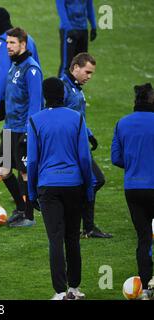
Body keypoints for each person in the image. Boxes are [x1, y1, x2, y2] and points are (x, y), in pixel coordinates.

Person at [27, 77, 93, 300]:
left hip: (48, 186)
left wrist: (32, 192)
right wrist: (89, 188)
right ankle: (74, 289)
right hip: (74, 185)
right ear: (63, 94)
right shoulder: (76, 118)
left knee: (55, 238)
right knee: (72, 237)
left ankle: (59, 292)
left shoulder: (35, 121)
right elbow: (85, 157)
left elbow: (33, 162)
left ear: (45, 96)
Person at [0, 7, 40, 183]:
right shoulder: (28, 39)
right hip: (27, 97)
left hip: (10, 97)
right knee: (18, 139)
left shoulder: (2, 41)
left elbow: (5, 74)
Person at [61, 52, 112, 238]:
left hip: (80, 143)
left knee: (92, 182)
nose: (89, 77)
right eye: (87, 72)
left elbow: (78, 117)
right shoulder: (64, 88)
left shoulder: (74, 87)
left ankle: (87, 227)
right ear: (75, 68)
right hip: (73, 147)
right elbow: (61, 119)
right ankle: (82, 223)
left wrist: (88, 134)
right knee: (95, 180)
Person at [111, 83, 154, 300]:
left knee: (144, 238)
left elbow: (116, 158)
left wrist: (136, 164)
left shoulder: (122, 123)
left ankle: (145, 288)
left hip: (134, 188)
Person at [0, 27, 42, 227]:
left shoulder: (31, 69)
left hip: (23, 129)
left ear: (23, 44)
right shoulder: (14, 66)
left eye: (12, 43)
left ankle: (29, 216)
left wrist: (29, 131)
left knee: (25, 173)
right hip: (9, 128)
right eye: (7, 43)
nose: (8, 46)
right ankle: (20, 207)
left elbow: (35, 103)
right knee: (3, 171)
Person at [56, 0, 97, 77]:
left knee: (82, 63)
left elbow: (89, 6)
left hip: (83, 30)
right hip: (68, 31)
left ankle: (76, 88)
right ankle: (61, 88)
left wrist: (93, 26)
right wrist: (68, 28)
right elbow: (61, 9)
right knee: (67, 64)